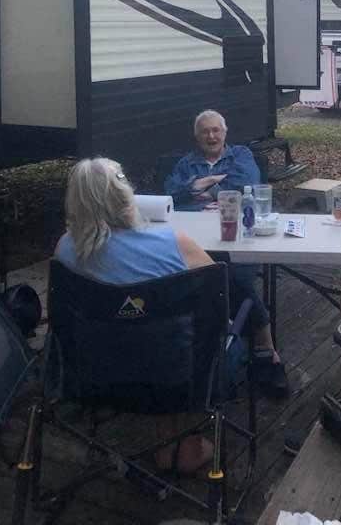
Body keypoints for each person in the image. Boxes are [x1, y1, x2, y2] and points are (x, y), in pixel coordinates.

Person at [55, 157, 215, 474]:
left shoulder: (64, 250)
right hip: (176, 375)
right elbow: (214, 296)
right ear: (125, 195)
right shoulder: (175, 243)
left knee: (144, 337)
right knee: (179, 341)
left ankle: (166, 440)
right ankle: (184, 445)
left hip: (93, 375)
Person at [164, 110, 289, 397]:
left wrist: (201, 188)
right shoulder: (186, 163)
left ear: (225, 133)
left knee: (229, 273)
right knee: (213, 275)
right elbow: (171, 192)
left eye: (215, 131)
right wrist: (215, 186)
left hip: (234, 235)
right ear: (197, 136)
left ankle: (262, 349)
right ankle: (258, 345)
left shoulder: (241, 155)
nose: (211, 136)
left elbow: (246, 184)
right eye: (205, 132)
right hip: (196, 239)